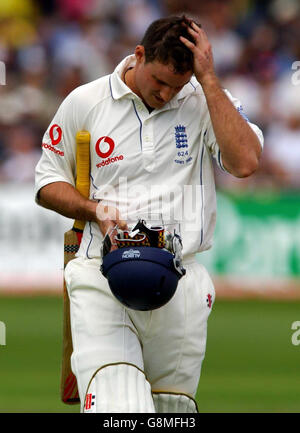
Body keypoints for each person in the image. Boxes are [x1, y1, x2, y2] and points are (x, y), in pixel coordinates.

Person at [35, 15, 263, 413]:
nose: (166, 94)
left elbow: (245, 162)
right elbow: (46, 183)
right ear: (139, 55)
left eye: (177, 85)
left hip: (180, 280)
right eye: (159, 81)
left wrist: (208, 82)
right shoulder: (86, 101)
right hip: (100, 271)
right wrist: (94, 209)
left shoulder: (203, 99)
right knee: (119, 404)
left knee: (172, 410)